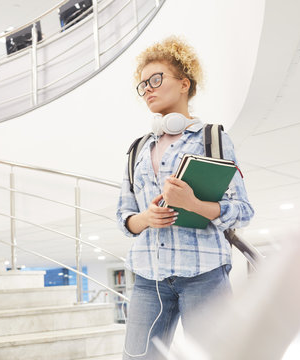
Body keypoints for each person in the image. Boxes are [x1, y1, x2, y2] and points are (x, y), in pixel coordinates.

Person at [116, 36, 254, 359]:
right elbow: (125, 216)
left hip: (205, 275)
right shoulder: (137, 149)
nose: (147, 88)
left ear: (183, 83)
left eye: (155, 79)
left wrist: (194, 205)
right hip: (148, 279)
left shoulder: (213, 139)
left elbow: (244, 210)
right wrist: (145, 219)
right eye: (142, 85)